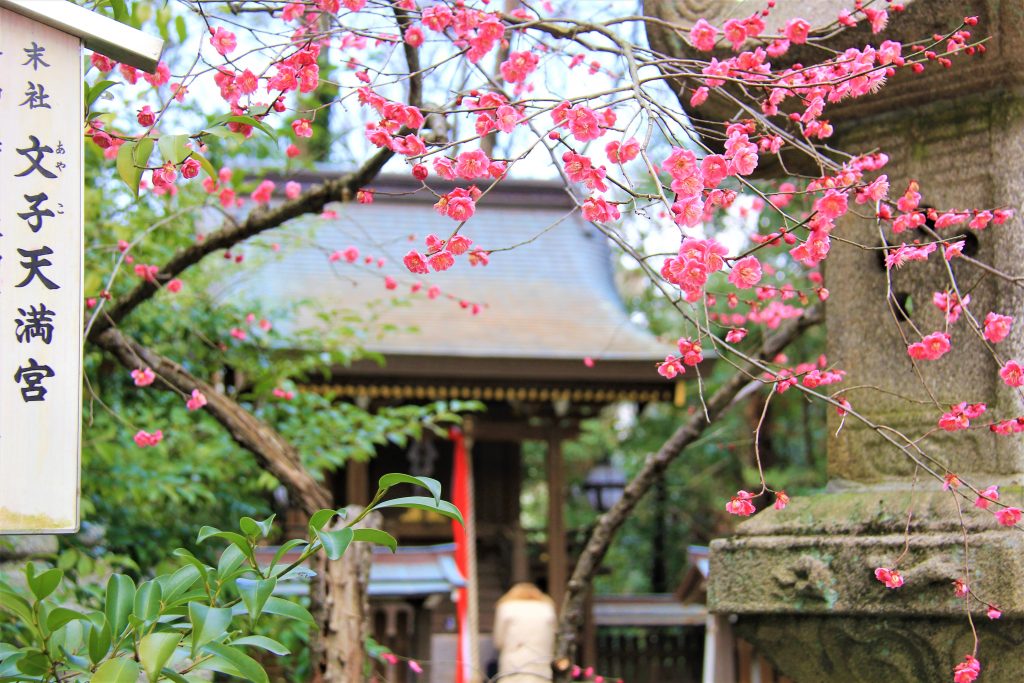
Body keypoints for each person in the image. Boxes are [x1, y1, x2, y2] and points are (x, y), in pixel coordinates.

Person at [492, 582, 556, 682]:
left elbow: (498, 640)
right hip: (541, 659)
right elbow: (553, 636)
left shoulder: (506, 607)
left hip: (514, 659)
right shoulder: (547, 608)